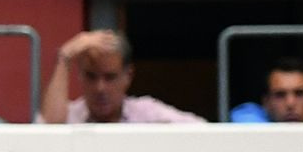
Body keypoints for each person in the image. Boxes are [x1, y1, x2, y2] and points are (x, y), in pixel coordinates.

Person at [41, 28, 203, 124]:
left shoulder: (148, 114)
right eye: (91, 76)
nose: (100, 88)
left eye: (110, 77)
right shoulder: (70, 115)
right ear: (80, 76)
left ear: (128, 76)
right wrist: (64, 57)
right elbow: (49, 130)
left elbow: (204, 132)